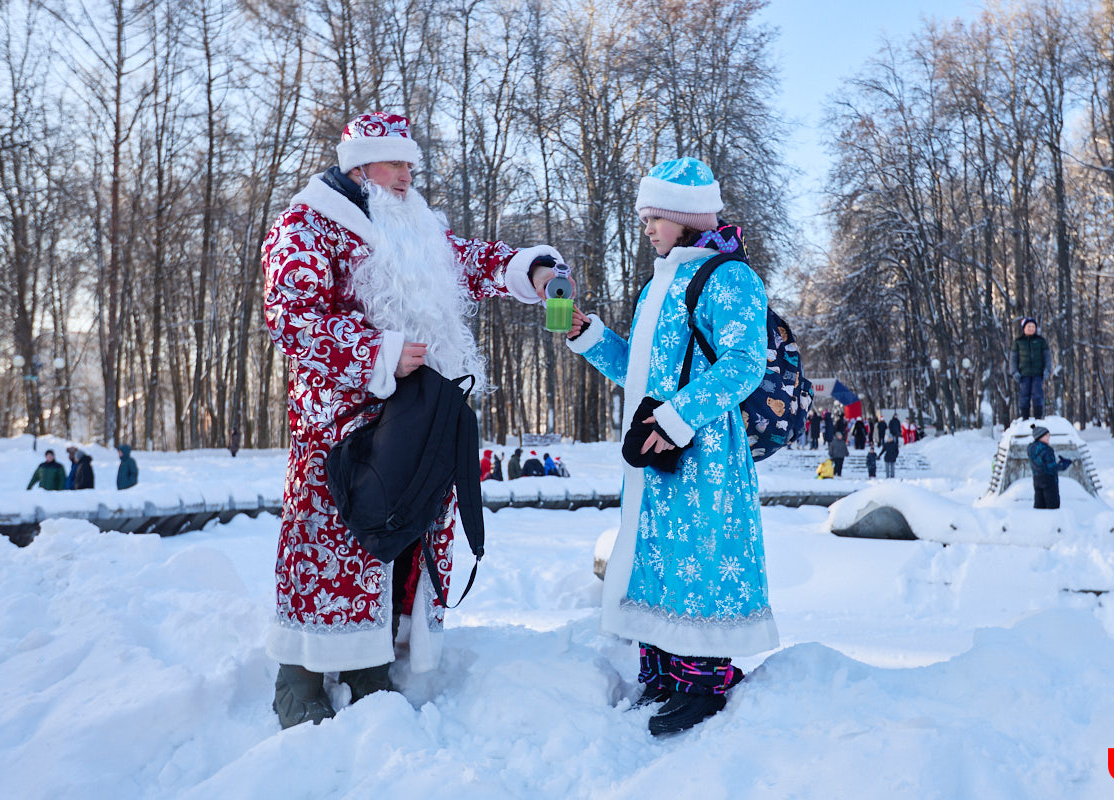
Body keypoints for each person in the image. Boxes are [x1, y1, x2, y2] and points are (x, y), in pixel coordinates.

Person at [260, 111, 567, 729]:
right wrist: (380, 351)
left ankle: (373, 665)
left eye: (410, 164)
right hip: (338, 429)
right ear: (361, 166)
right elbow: (290, 317)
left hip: (414, 420)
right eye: (396, 163)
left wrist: (530, 271)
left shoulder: (413, 224)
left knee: (401, 534)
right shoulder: (306, 224)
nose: (408, 175)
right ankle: (299, 675)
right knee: (331, 545)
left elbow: (470, 262)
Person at [565, 157, 778, 736]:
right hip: (660, 450)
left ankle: (704, 680)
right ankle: (665, 672)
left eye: (654, 217)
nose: (647, 228)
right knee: (659, 559)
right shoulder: (660, 282)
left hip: (702, 450)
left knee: (701, 557)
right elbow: (643, 371)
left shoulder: (729, 277)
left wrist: (678, 417)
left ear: (684, 217)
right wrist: (591, 338)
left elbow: (743, 364)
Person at [1009, 316, 1052, 420]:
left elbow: (1047, 357)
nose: (1031, 328)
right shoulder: (1018, 342)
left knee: (1037, 394)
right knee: (1024, 395)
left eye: (1033, 326)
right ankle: (1025, 417)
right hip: (1023, 374)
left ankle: (1038, 416)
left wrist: (1047, 370)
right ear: (1024, 328)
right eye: (1028, 326)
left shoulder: (1041, 341)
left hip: (1038, 373)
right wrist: (1014, 372)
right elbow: (1013, 359)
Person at [1027, 426, 1071, 509]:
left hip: (1037, 480)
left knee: (1039, 507)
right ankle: (1053, 522)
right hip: (1049, 481)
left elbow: (1041, 464)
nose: (1048, 438)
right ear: (1040, 436)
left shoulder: (1030, 449)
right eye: (1046, 435)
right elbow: (1052, 467)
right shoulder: (1047, 450)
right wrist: (1063, 465)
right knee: (1052, 507)